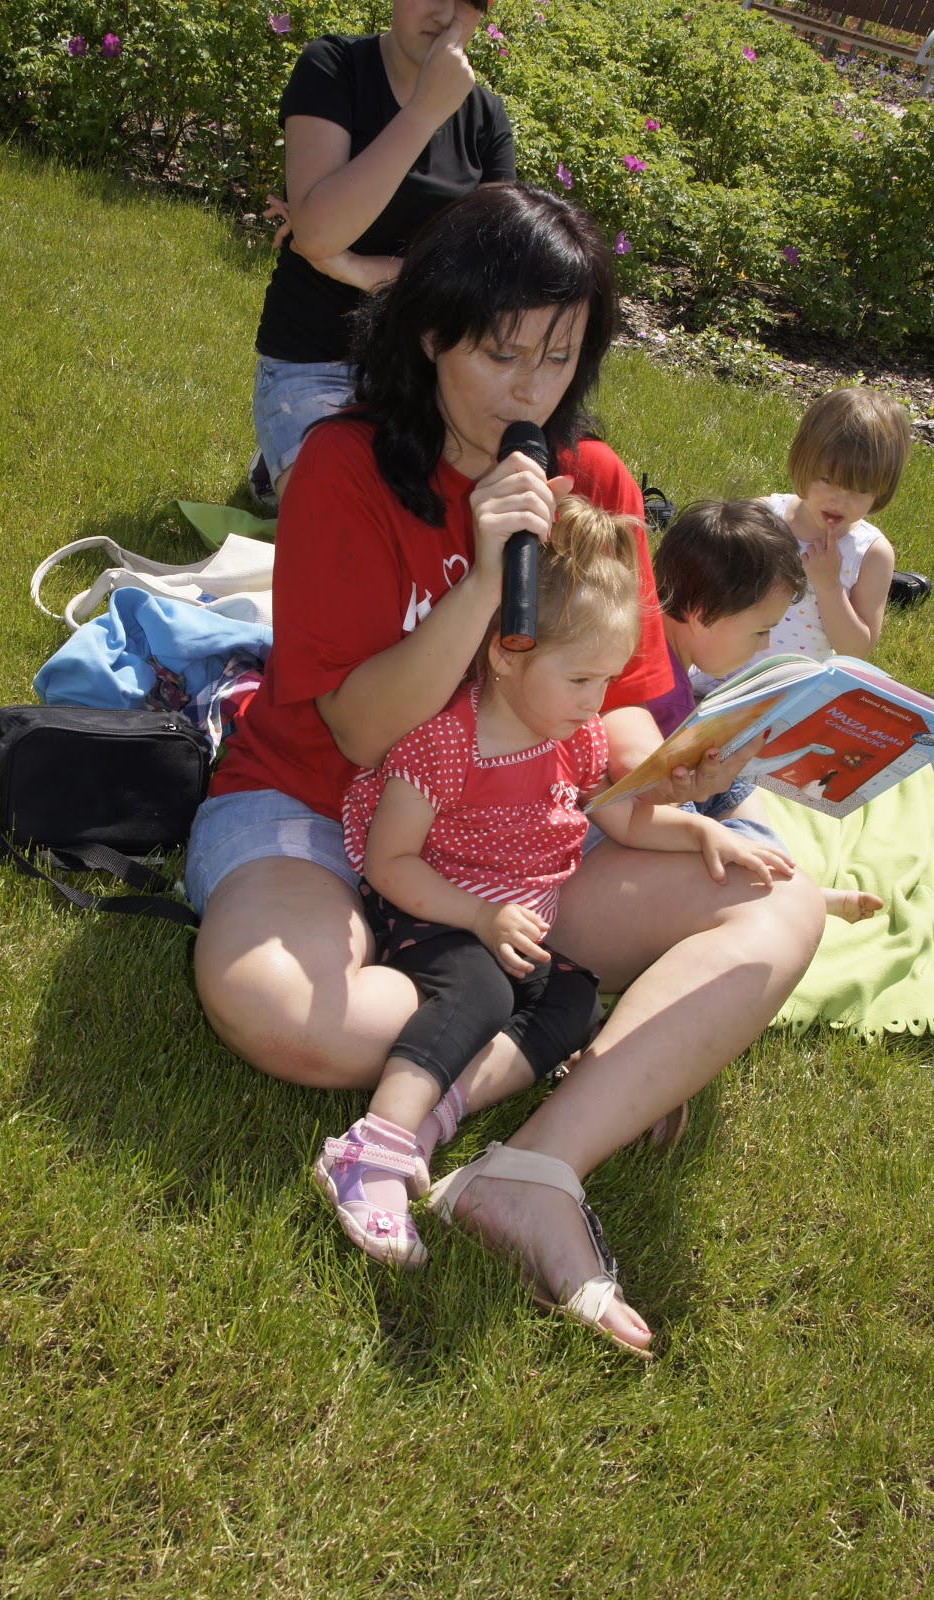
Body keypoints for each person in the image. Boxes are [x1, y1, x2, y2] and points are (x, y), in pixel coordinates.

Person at [189, 183, 826, 1358]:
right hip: (318, 802)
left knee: (777, 900)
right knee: (277, 1009)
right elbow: (360, 729)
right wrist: (487, 576)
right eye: (501, 353)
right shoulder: (342, 468)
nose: (530, 390)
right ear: (432, 332)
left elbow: (618, 710)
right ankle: (556, 1030)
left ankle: (530, 1170)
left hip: (513, 845)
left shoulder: (597, 480)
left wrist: (672, 777)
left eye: (559, 356)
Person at [315, 501, 794, 1270]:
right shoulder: (443, 743)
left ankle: (439, 1111)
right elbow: (387, 863)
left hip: (512, 915)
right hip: (432, 901)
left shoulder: (576, 736)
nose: (593, 701)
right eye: (577, 678)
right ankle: (371, 1150)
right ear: (506, 655)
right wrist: (479, 917)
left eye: (605, 680)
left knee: (571, 1002)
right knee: (477, 994)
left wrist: (700, 831)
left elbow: (623, 820)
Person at [251, 0, 514, 503]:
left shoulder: (486, 118)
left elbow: (486, 284)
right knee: (355, 521)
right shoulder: (334, 68)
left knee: (467, 512)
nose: (444, 12)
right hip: (316, 365)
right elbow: (320, 233)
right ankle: (294, 451)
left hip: (434, 379)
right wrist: (424, 111)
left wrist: (353, 267)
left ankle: (299, 459)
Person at [650, 498, 884, 927]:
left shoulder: (665, 658)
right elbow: (646, 803)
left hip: (685, 783)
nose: (765, 645)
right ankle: (787, 888)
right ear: (703, 616)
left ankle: (782, 877)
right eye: (760, 631)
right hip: (656, 812)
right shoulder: (659, 692)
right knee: (724, 833)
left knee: (737, 790)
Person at [703, 388, 911, 688]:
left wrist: (829, 585)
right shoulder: (763, 517)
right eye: (827, 480)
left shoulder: (870, 554)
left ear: (881, 490)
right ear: (803, 463)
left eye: (859, 489)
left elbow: (855, 650)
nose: (839, 500)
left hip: (790, 690)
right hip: (717, 674)